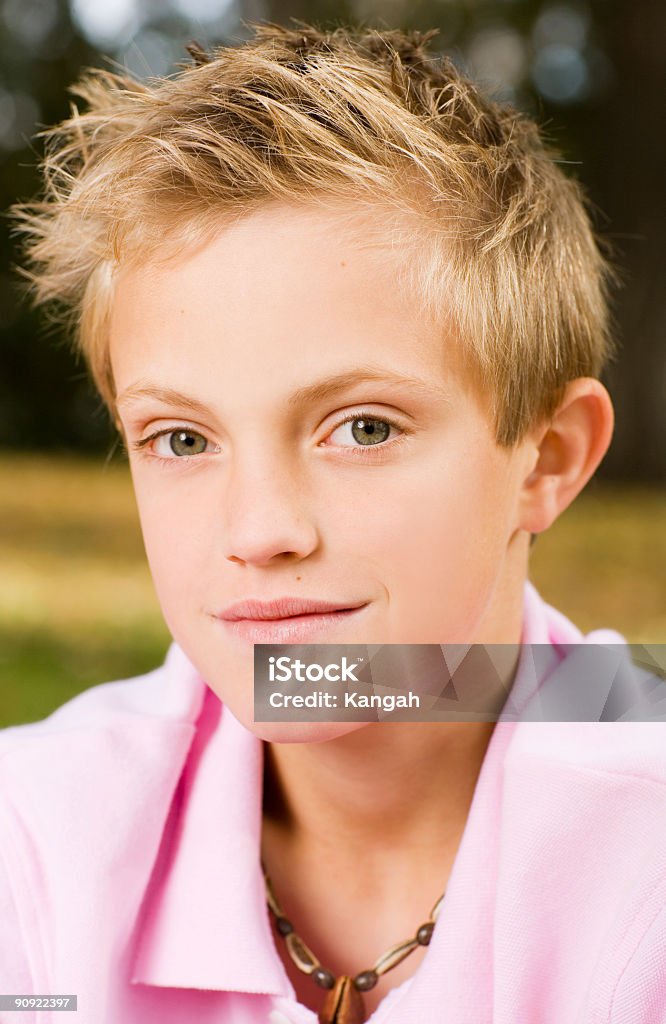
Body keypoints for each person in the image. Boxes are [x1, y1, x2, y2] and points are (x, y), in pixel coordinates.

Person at [2, 21, 664, 1024]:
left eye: (361, 427)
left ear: (548, 458)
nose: (261, 529)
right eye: (182, 439)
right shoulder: (37, 837)